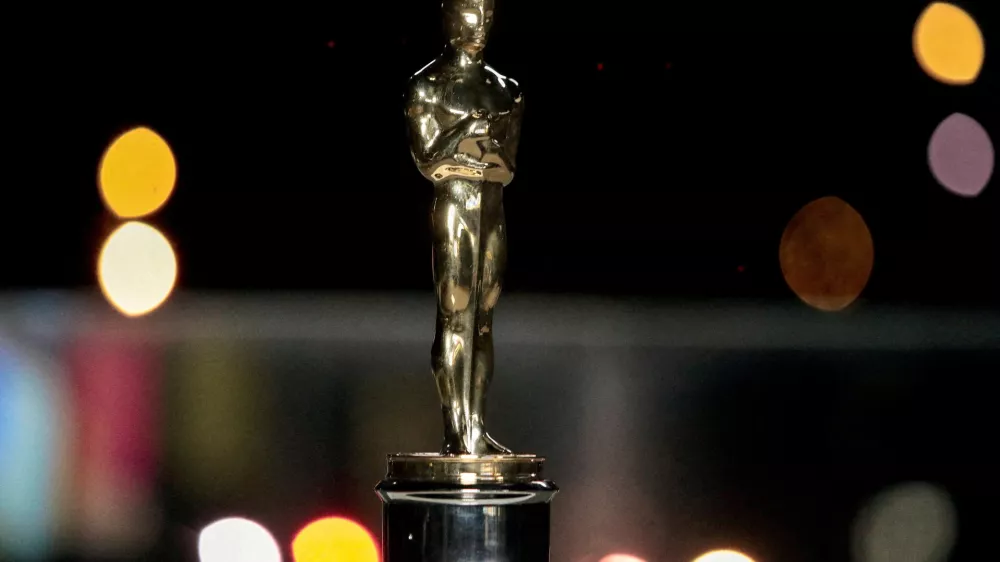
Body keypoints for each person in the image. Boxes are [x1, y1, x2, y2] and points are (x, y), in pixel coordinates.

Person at [404, 0, 523, 456]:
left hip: (490, 211)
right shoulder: (428, 88)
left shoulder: (506, 90)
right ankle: (456, 429)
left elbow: (506, 168)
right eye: (470, 12)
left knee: (484, 317)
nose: (479, 23)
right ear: (450, 16)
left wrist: (473, 157)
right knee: (456, 310)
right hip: (454, 209)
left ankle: (476, 425)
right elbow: (429, 161)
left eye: (487, 13)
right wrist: (468, 135)